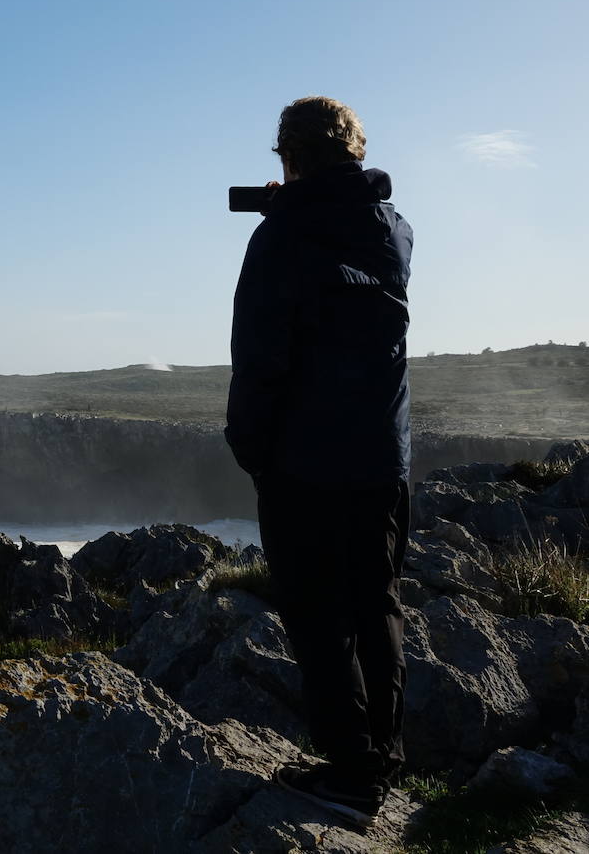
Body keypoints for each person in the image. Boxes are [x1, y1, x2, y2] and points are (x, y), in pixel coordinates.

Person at [225, 96, 414, 829]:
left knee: (317, 614)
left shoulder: (282, 237)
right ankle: (380, 760)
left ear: (289, 157)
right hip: (382, 457)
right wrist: (308, 199)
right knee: (377, 605)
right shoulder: (392, 231)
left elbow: (261, 355)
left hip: (305, 461)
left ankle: (348, 774)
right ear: (356, 154)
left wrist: (251, 448)